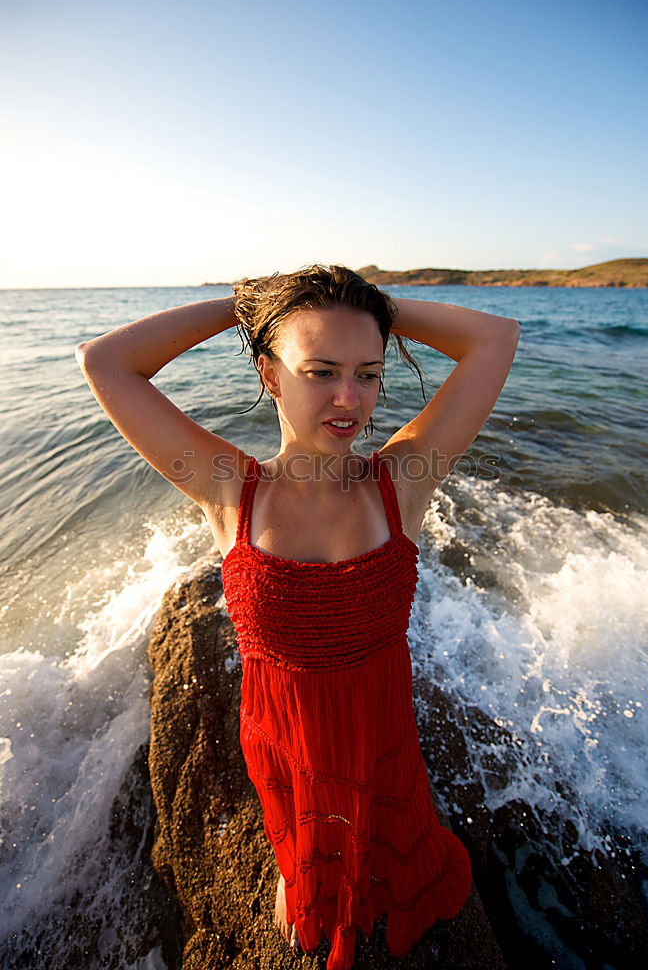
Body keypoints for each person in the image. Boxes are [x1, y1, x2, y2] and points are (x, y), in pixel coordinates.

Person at [75, 263, 519, 969]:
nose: (351, 400)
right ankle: (296, 869)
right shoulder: (230, 490)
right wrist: (250, 305)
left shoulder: (401, 481)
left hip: (382, 734)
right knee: (302, 841)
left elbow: (496, 337)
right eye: (319, 371)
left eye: (369, 373)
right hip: (284, 743)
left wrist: (370, 306)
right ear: (270, 374)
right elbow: (107, 362)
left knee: (390, 834)